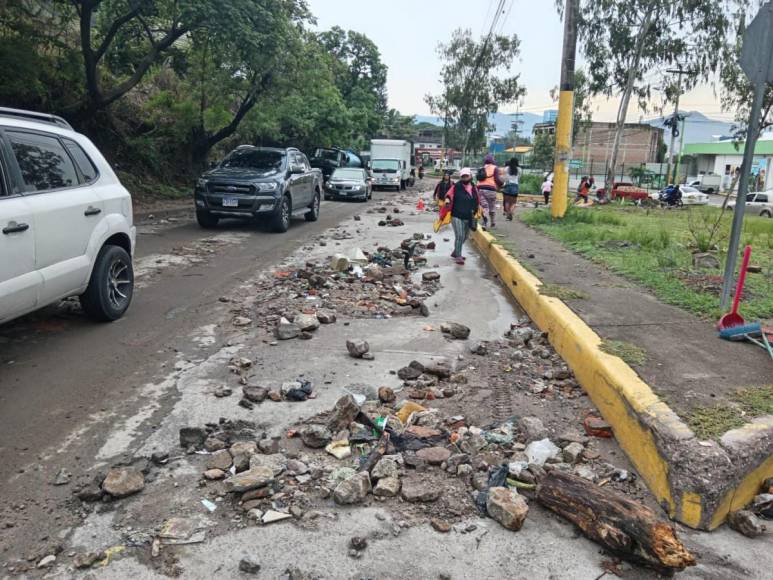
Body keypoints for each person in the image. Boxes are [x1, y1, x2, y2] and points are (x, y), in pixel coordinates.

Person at [439, 167, 480, 265]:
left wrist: (480, 211)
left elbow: (477, 199)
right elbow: (448, 195)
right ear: (461, 177)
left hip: (469, 216)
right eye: (463, 176)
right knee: (460, 236)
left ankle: (456, 251)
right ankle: (458, 256)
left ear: (470, 176)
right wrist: (448, 201)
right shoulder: (456, 186)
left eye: (467, 176)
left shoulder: (474, 187)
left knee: (465, 236)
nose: (465, 178)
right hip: (457, 215)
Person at [477, 153, 503, 228]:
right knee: (492, 207)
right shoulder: (495, 168)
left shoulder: (482, 168)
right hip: (491, 189)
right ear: (493, 160)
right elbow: (497, 179)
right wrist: (502, 184)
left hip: (480, 189)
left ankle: (484, 219)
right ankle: (493, 223)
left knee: (484, 206)